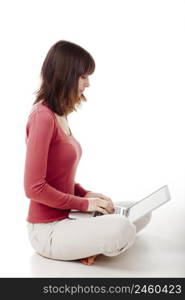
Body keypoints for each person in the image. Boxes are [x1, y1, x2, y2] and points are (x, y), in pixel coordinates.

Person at [24, 40, 151, 266]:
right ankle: (90, 245)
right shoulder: (42, 117)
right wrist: (85, 205)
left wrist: (86, 194)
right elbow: (34, 187)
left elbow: (57, 177)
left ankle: (88, 244)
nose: (88, 83)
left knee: (138, 212)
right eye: (83, 76)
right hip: (47, 231)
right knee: (122, 228)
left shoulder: (59, 115)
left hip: (69, 217)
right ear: (66, 76)